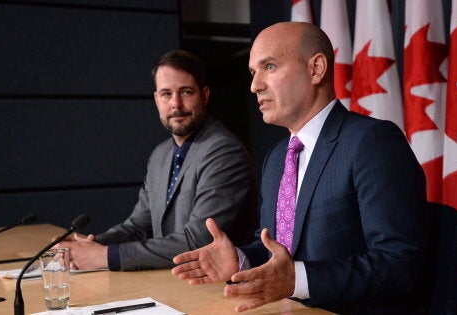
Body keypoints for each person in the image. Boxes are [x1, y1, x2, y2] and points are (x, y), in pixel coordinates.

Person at [171, 22, 430, 314]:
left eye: (269, 67)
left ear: (316, 69)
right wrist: (241, 259)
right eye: (253, 73)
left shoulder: (372, 142)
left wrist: (299, 280)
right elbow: (274, 248)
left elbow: (400, 263)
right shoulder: (277, 156)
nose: (255, 86)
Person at [56, 50, 257, 271]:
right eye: (166, 94)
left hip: (219, 289)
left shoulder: (224, 152)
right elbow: (138, 227)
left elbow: (199, 241)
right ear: (156, 99)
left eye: (186, 92)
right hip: (171, 283)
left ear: (205, 95)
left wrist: (106, 256)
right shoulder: (160, 155)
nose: (175, 104)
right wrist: (88, 247)